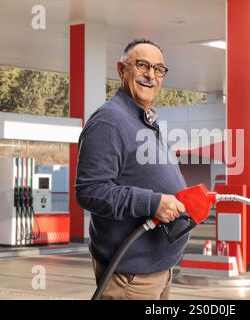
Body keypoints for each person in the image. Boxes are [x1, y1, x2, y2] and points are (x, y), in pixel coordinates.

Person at [75, 39, 189, 300]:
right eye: (142, 65)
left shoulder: (143, 119)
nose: (151, 75)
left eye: (159, 69)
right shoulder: (109, 122)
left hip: (157, 270)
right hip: (130, 279)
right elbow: (90, 191)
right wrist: (154, 202)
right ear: (121, 69)